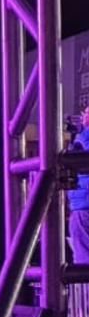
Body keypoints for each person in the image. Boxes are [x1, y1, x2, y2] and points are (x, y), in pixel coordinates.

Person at [69, 105, 89, 264]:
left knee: (84, 259)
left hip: (84, 205)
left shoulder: (84, 138)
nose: (84, 117)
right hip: (82, 204)